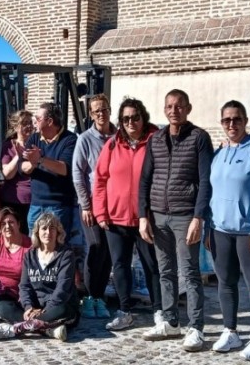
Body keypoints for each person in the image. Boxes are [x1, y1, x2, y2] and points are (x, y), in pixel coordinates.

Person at [137, 89, 213, 349]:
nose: (174, 111)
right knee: (165, 271)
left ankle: (196, 327)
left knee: (190, 273)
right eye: (169, 106)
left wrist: (198, 217)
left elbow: (205, 181)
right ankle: (170, 321)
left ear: (188, 108)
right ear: (164, 109)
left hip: (185, 216)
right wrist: (142, 216)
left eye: (179, 106)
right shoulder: (155, 140)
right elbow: (145, 179)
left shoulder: (199, 138)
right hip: (158, 216)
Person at [208, 100, 250, 362]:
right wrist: (208, 227)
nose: (231, 124)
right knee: (225, 282)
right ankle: (230, 331)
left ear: (245, 121)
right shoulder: (220, 152)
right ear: (221, 123)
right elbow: (213, 191)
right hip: (220, 230)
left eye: (237, 119)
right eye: (226, 120)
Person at [94, 98, 161, 333]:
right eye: (125, 118)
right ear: (120, 122)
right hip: (116, 218)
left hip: (146, 218)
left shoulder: (156, 141)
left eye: (135, 117)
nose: (131, 122)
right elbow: (100, 180)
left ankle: (159, 311)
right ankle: (125, 312)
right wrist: (100, 212)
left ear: (143, 117)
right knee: (120, 265)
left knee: (152, 265)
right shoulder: (112, 145)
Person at [0, 212, 78, 341]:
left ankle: (16, 329)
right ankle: (47, 329)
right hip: (35, 308)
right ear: (37, 232)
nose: (48, 232)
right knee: (2, 307)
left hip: (57, 307)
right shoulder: (30, 255)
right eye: (44, 228)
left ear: (58, 232)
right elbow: (24, 286)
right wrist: (28, 307)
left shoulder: (66, 254)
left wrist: (46, 310)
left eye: (52, 228)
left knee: (62, 310)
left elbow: (63, 289)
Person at [21, 102, 85, 285]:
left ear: (49, 121)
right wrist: (33, 163)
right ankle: (36, 284)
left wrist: (40, 159)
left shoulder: (70, 139)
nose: (34, 122)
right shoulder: (34, 139)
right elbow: (23, 167)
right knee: (35, 245)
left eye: (37, 118)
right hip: (36, 203)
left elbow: (64, 169)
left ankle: (58, 285)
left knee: (56, 245)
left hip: (58, 205)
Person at [72, 93, 115, 319]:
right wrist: (85, 205)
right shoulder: (85, 139)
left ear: (110, 109)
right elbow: (78, 174)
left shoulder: (118, 137)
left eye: (104, 109)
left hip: (114, 205)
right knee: (96, 246)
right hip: (92, 205)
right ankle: (90, 296)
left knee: (108, 251)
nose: (101, 114)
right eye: (96, 111)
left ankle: (99, 297)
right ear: (91, 114)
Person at [0, 110, 34, 236]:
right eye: (24, 123)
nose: (28, 126)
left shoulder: (36, 144)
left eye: (30, 122)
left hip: (34, 200)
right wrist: (17, 157)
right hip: (14, 200)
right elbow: (7, 174)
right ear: (15, 126)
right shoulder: (8, 146)